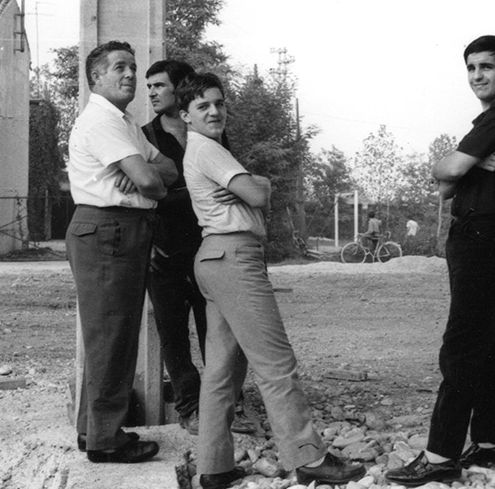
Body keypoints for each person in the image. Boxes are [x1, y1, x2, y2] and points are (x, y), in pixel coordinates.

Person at [178, 72, 366, 489]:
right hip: (234, 256)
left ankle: (214, 466)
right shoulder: (207, 149)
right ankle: (308, 458)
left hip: (216, 257)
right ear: (186, 115)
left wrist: (252, 184)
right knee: (275, 363)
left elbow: (253, 190)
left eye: (219, 103)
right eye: (202, 106)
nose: (214, 111)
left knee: (222, 370)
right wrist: (255, 184)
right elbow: (259, 195)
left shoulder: (205, 149)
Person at [386, 35, 495, 486]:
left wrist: (461, 163)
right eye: (470, 68)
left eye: (486, 66)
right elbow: (446, 186)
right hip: (480, 237)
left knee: (463, 343)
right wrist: (466, 163)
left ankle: (441, 454)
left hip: (489, 237)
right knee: (486, 340)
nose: (476, 76)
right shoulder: (489, 120)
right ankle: (491, 444)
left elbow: (448, 171)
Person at [66, 41, 178, 463]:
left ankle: (93, 429)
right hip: (108, 227)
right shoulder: (101, 121)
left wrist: (148, 173)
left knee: (112, 334)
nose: (130, 74)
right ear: (96, 78)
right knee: (111, 335)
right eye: (119, 68)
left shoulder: (123, 120)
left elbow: (167, 167)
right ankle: (106, 440)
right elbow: (151, 182)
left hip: (120, 228)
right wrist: (149, 180)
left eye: (133, 66)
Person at [142, 60, 254, 436]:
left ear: (180, 89)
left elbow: (230, 184)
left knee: (217, 330)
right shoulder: (144, 136)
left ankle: (229, 406)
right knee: (173, 336)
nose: (152, 93)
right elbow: (148, 191)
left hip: (208, 248)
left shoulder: (210, 133)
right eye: (149, 86)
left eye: (159, 85)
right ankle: (190, 408)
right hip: (163, 252)